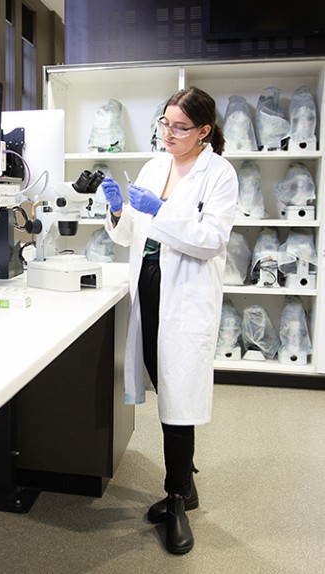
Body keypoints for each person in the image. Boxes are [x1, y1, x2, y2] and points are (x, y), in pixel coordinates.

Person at [100, 87, 238, 555]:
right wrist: (118, 210)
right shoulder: (153, 167)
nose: (169, 134)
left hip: (187, 293)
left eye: (180, 127)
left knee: (177, 398)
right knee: (164, 385)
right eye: (165, 123)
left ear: (204, 131)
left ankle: (177, 498)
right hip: (150, 285)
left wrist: (163, 210)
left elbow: (211, 239)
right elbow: (131, 235)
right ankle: (187, 484)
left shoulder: (219, 173)